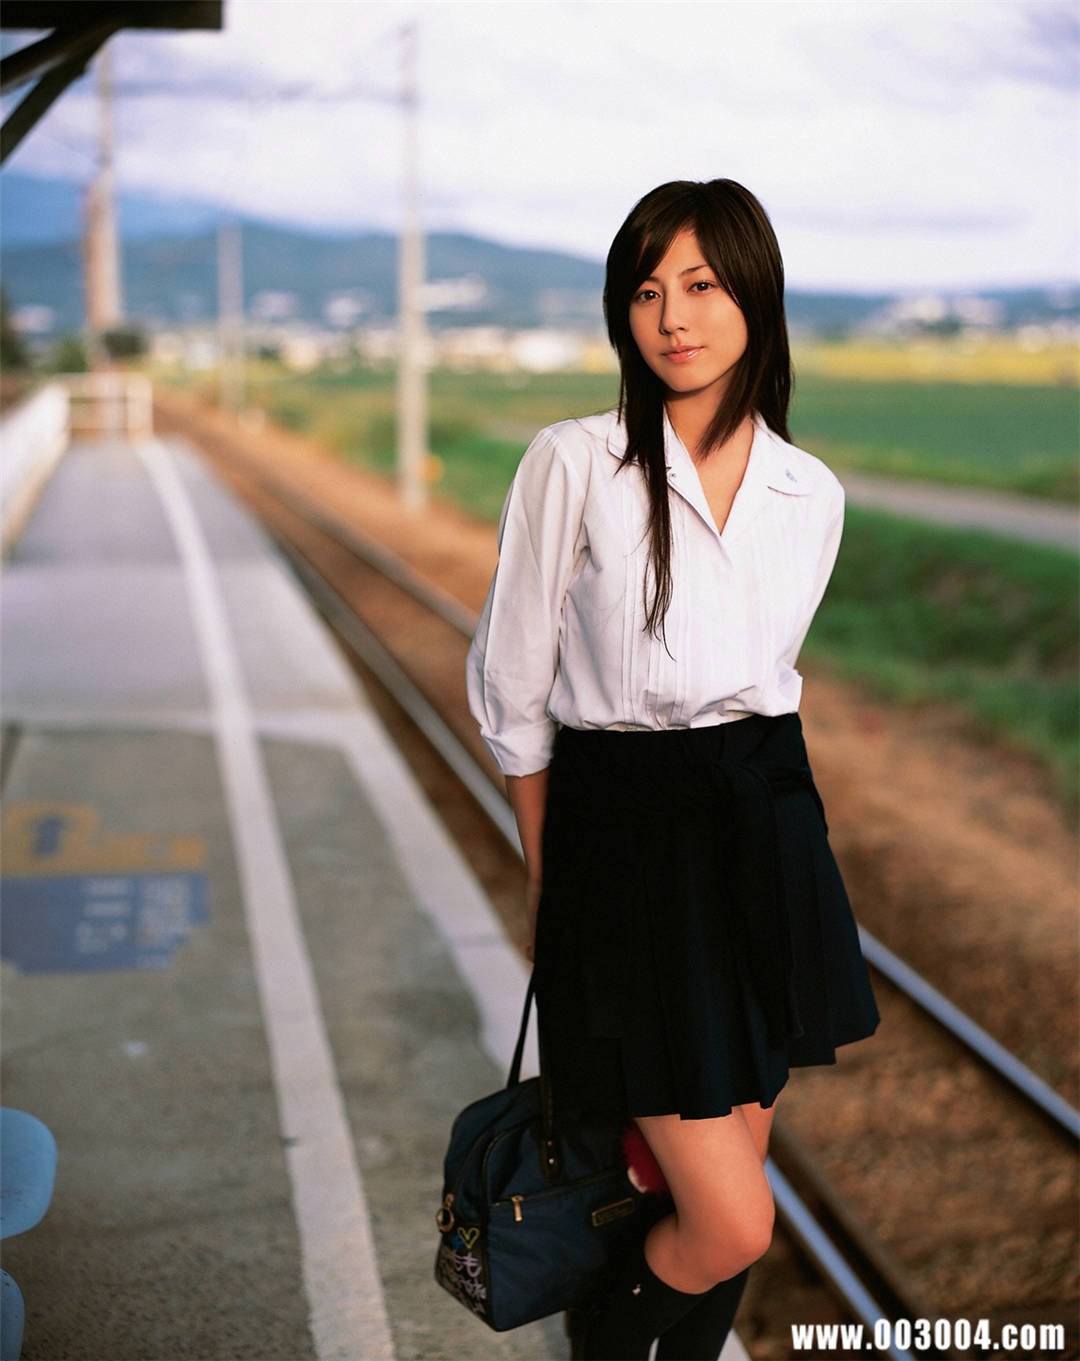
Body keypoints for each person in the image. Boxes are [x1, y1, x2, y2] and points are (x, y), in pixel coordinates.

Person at [465, 178, 880, 1361]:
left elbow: (766, 680)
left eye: (699, 284)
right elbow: (514, 682)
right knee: (734, 1219)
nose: (672, 315)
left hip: (768, 822)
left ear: (757, 293)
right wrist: (552, 873)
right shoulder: (574, 462)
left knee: (716, 1178)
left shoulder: (812, 493)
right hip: (625, 833)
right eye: (644, 291)